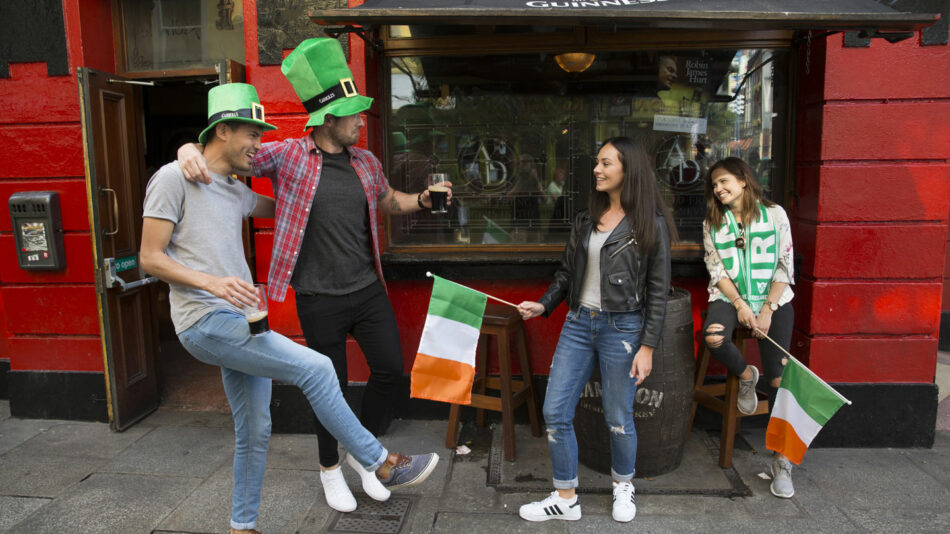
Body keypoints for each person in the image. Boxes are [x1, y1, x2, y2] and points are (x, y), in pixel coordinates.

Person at [144, 83, 439, 534]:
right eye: (251, 135)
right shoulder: (172, 178)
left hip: (244, 317)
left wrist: (415, 200)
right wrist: (212, 281)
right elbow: (149, 258)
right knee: (319, 370)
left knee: (256, 431)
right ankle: (379, 462)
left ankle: (243, 526)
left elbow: (293, 207)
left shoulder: (232, 189)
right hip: (205, 319)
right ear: (222, 131)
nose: (258, 146)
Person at [515, 137, 675, 523]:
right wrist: (545, 304)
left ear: (628, 169)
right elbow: (568, 272)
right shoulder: (587, 219)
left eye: (606, 163)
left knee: (618, 415)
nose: (597, 170)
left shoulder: (649, 225)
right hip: (577, 323)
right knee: (555, 411)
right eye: (597, 163)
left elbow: (658, 290)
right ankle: (565, 498)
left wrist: (648, 346)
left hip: (622, 327)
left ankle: (623, 487)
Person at [701, 157, 796, 498]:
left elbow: (785, 266)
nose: (718, 189)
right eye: (714, 185)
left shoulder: (775, 215)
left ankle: (782, 461)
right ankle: (745, 376)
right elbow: (717, 272)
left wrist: (767, 309)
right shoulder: (714, 220)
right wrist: (741, 305)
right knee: (713, 336)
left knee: (779, 380)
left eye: (724, 181)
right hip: (730, 298)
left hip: (774, 299)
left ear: (743, 180)